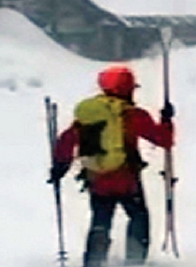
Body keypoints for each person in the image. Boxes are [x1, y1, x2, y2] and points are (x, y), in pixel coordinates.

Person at [47, 66, 174, 267]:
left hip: (97, 179)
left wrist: (59, 167)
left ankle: (94, 261)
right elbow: (163, 140)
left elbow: (66, 140)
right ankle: (134, 260)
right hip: (127, 179)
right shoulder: (132, 115)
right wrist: (166, 120)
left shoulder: (89, 115)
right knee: (138, 217)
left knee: (100, 220)